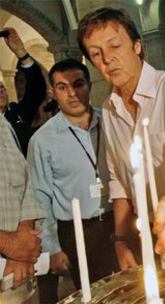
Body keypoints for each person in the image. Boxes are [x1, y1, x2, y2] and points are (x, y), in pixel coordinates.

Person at [77, 7, 165, 269]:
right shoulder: (109, 108)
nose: (107, 59)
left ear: (137, 45)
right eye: (96, 54)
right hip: (148, 226)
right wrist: (120, 239)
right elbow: (119, 178)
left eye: (115, 45)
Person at [27, 59, 118, 301]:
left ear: (89, 85)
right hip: (77, 232)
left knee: (130, 289)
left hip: (116, 221)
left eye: (78, 84)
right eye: (62, 87)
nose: (72, 93)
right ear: (53, 92)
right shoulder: (43, 140)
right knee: (94, 296)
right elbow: (40, 198)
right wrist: (53, 248)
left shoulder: (111, 123)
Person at [0, 114, 44, 289]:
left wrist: (23, 236)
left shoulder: (2, 124)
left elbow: (25, 183)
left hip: (15, 270)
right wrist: (7, 243)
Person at [0, 28, 47, 156]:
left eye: (2, 87)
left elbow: (37, 90)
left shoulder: (16, 113)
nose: (1, 92)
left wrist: (21, 53)